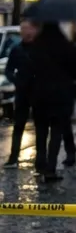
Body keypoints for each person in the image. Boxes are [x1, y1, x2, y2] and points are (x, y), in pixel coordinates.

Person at [28, 21, 76, 183]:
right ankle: (50, 167)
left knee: (40, 130)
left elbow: (30, 67)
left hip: (40, 94)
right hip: (61, 94)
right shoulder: (65, 46)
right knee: (56, 131)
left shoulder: (36, 46)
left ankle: (40, 161)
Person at [3, 19, 37, 168]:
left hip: (38, 91)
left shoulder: (40, 48)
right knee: (19, 125)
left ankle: (42, 157)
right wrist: (17, 81)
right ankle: (13, 156)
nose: (26, 32)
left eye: (28, 29)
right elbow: (9, 70)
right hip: (22, 91)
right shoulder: (17, 49)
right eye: (23, 29)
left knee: (42, 125)